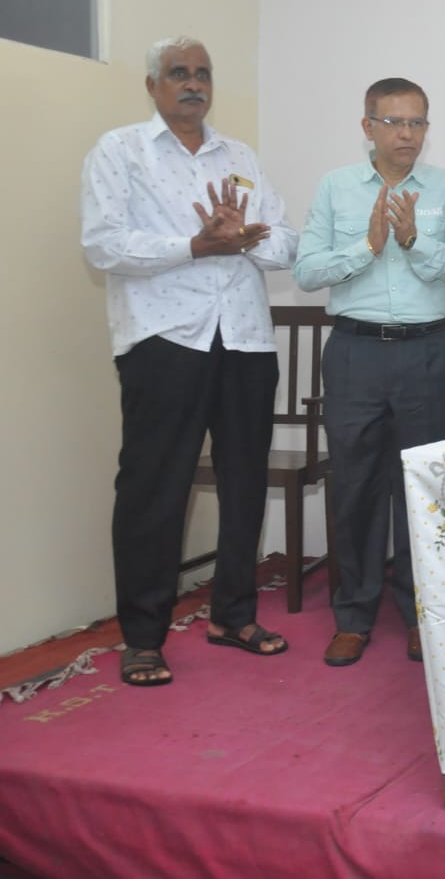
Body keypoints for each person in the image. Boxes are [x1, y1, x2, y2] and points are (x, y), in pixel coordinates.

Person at [81, 36, 298, 686]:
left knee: (244, 483)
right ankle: (144, 638)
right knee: (155, 490)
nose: (193, 83)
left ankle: (233, 615)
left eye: (202, 73)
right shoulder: (120, 150)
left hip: (245, 340)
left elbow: (286, 243)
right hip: (165, 339)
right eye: (179, 73)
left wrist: (247, 239)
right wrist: (195, 245)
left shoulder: (241, 157)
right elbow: (103, 245)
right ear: (153, 85)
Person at [293, 78, 445, 668]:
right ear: (368, 126)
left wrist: (411, 241)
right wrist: (367, 247)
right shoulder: (336, 187)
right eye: (394, 122)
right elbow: (307, 272)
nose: (407, 134)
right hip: (356, 353)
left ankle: (420, 615)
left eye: (417, 122)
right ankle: (354, 616)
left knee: (420, 488)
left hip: (427, 351)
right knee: (357, 485)